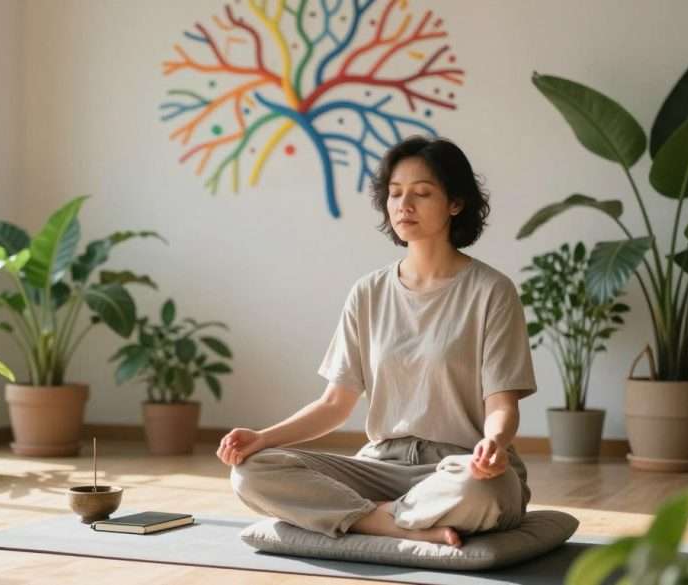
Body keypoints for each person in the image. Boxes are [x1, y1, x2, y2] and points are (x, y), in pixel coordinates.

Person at [217, 136, 537, 548]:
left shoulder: (492, 291)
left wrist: (493, 444)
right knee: (251, 471)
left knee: (485, 493)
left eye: (422, 193)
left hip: (460, 467)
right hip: (380, 467)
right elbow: (335, 404)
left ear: (455, 204)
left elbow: (502, 405)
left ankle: (372, 514)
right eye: (395, 193)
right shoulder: (367, 292)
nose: (404, 205)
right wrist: (263, 438)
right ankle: (392, 522)